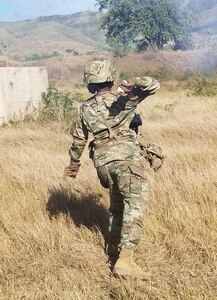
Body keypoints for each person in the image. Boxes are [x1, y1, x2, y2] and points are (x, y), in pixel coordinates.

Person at [64, 58, 161, 277]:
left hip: (103, 164)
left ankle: (113, 248)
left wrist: (74, 164)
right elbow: (154, 85)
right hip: (126, 160)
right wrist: (136, 81)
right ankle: (125, 261)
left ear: (90, 83)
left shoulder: (85, 108)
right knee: (134, 205)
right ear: (110, 78)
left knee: (117, 206)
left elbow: (78, 140)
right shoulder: (123, 100)